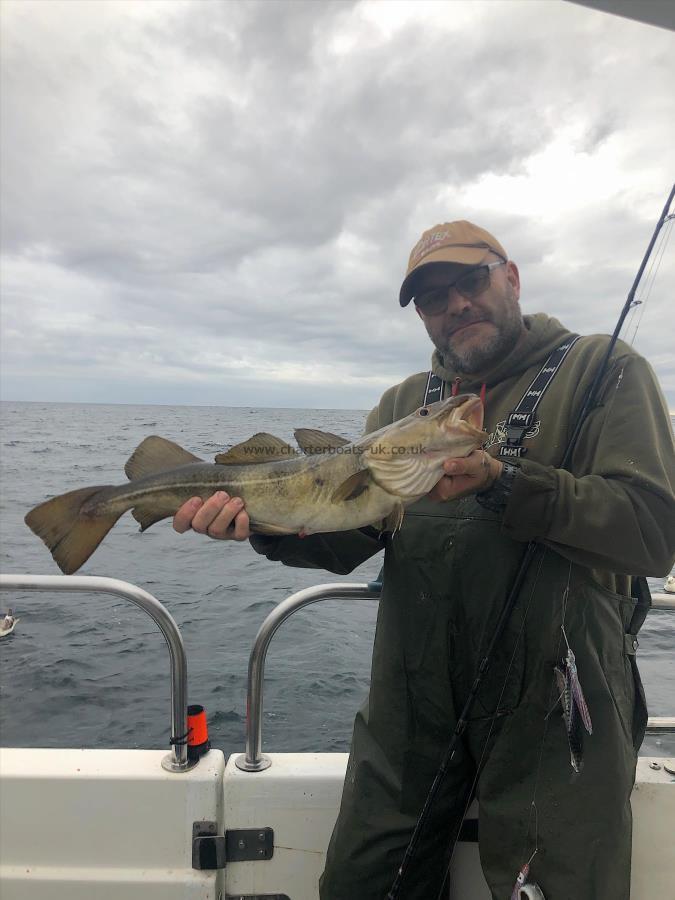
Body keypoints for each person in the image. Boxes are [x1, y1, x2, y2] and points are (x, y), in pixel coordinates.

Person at [173, 220, 675, 900]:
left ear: (511, 278)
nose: (456, 305)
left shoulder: (602, 371)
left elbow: (651, 532)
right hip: (412, 705)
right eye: (433, 299)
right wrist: (264, 525)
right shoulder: (404, 406)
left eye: (470, 281)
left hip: (559, 708)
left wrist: (504, 481)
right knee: (363, 882)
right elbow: (351, 535)